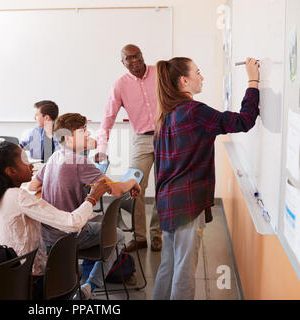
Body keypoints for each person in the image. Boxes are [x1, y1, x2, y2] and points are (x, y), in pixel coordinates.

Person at [151, 57, 260, 300]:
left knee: (169, 264)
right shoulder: (194, 111)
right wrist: (253, 81)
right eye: (198, 73)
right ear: (184, 80)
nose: (202, 77)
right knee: (185, 270)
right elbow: (244, 121)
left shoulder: (164, 116)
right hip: (187, 205)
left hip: (167, 203)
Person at [0, 141, 111, 299]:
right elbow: (72, 224)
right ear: (10, 171)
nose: (30, 165)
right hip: (32, 283)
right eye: (24, 161)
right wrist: (92, 198)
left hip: (7, 278)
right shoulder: (19, 197)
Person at [29, 112, 141, 299]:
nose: (88, 135)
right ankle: (90, 286)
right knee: (119, 236)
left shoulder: (54, 157)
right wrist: (132, 182)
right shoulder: (79, 162)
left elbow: (34, 185)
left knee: (95, 224)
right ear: (67, 137)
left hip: (46, 235)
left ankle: (83, 278)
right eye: (83, 131)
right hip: (69, 236)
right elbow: (117, 190)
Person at [95, 44, 162, 252]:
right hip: (141, 139)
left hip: (166, 137)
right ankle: (140, 237)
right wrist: (102, 147)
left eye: (137, 56)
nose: (134, 61)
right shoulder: (120, 85)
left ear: (142, 56)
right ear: (122, 62)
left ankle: (156, 234)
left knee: (163, 187)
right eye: (129, 58)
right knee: (135, 187)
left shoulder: (160, 73)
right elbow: (107, 118)